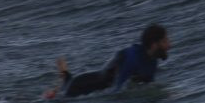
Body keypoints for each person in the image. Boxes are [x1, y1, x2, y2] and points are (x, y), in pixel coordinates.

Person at [43, 23, 171, 99]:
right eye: (165, 41)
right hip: (82, 86)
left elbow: (148, 87)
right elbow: (115, 92)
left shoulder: (152, 61)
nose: (169, 45)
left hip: (94, 85)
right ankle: (63, 77)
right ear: (154, 44)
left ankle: (65, 74)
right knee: (60, 98)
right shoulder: (132, 58)